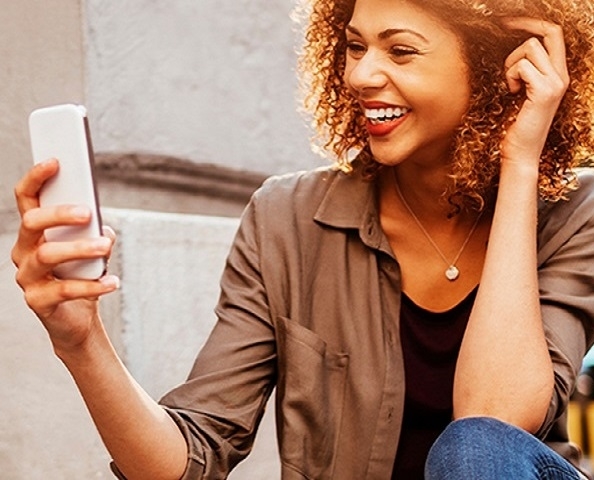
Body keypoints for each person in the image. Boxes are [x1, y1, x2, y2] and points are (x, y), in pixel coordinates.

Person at [11, 0, 594, 478]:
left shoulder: (576, 213)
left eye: (401, 50)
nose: (362, 75)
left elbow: (495, 421)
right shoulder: (286, 217)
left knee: (473, 449)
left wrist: (521, 163)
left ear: (499, 71)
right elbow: (189, 458)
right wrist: (81, 342)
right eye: (355, 46)